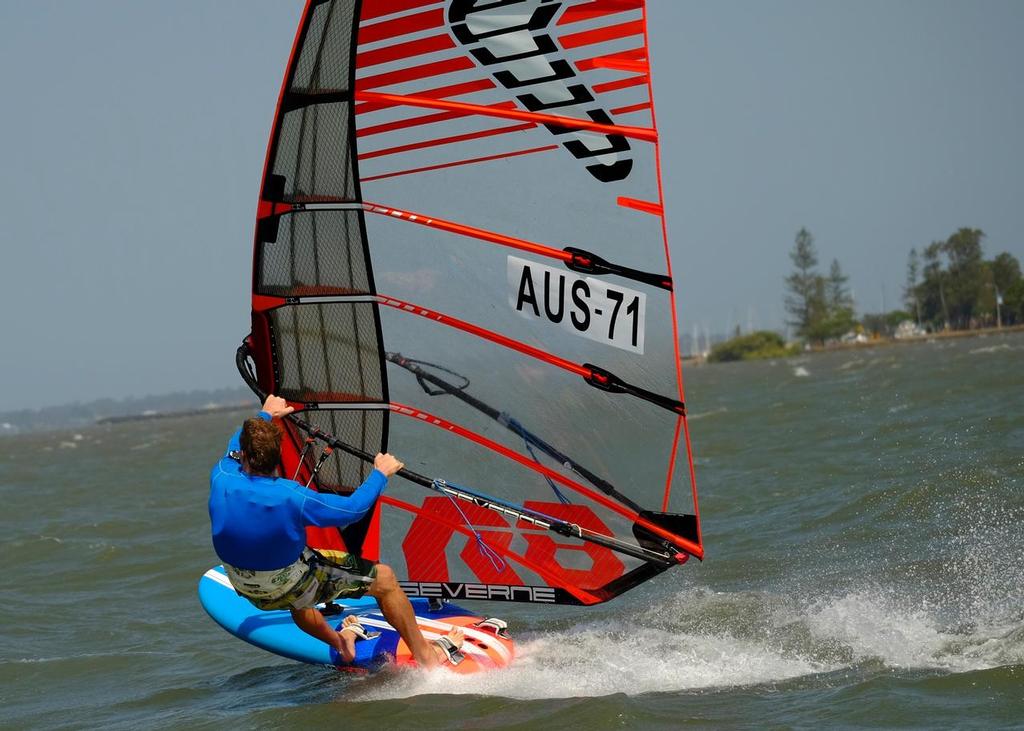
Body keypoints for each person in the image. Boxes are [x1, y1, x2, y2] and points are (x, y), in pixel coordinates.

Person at [208, 394, 463, 668]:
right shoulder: (292, 496)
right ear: (278, 456)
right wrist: (380, 473)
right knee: (385, 580)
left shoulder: (222, 474)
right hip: (290, 583)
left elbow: (232, 445)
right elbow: (353, 509)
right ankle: (427, 657)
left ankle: (340, 643)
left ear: (244, 454)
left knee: (302, 586)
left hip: (246, 586)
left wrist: (266, 413)